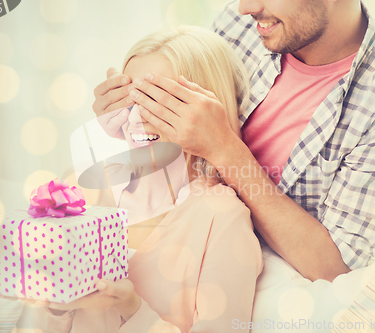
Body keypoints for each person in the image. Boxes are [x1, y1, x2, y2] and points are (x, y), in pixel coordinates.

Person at [92, 0, 375, 282]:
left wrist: (225, 149)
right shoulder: (247, 21)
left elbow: (333, 267)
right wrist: (130, 121)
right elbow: (181, 158)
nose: (244, 7)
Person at [41, 26, 263, 332]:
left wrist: (131, 308)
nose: (134, 118)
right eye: (130, 100)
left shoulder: (221, 217)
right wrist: (52, 305)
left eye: (156, 101)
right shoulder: (89, 188)